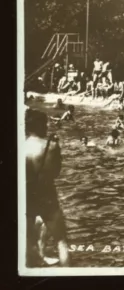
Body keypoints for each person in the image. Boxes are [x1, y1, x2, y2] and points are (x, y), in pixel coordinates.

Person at [25, 108, 70, 266]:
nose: (46, 127)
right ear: (40, 126)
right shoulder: (52, 146)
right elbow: (56, 173)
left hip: (26, 196)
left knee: (27, 244)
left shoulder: (19, 146)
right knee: (61, 242)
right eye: (45, 124)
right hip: (47, 195)